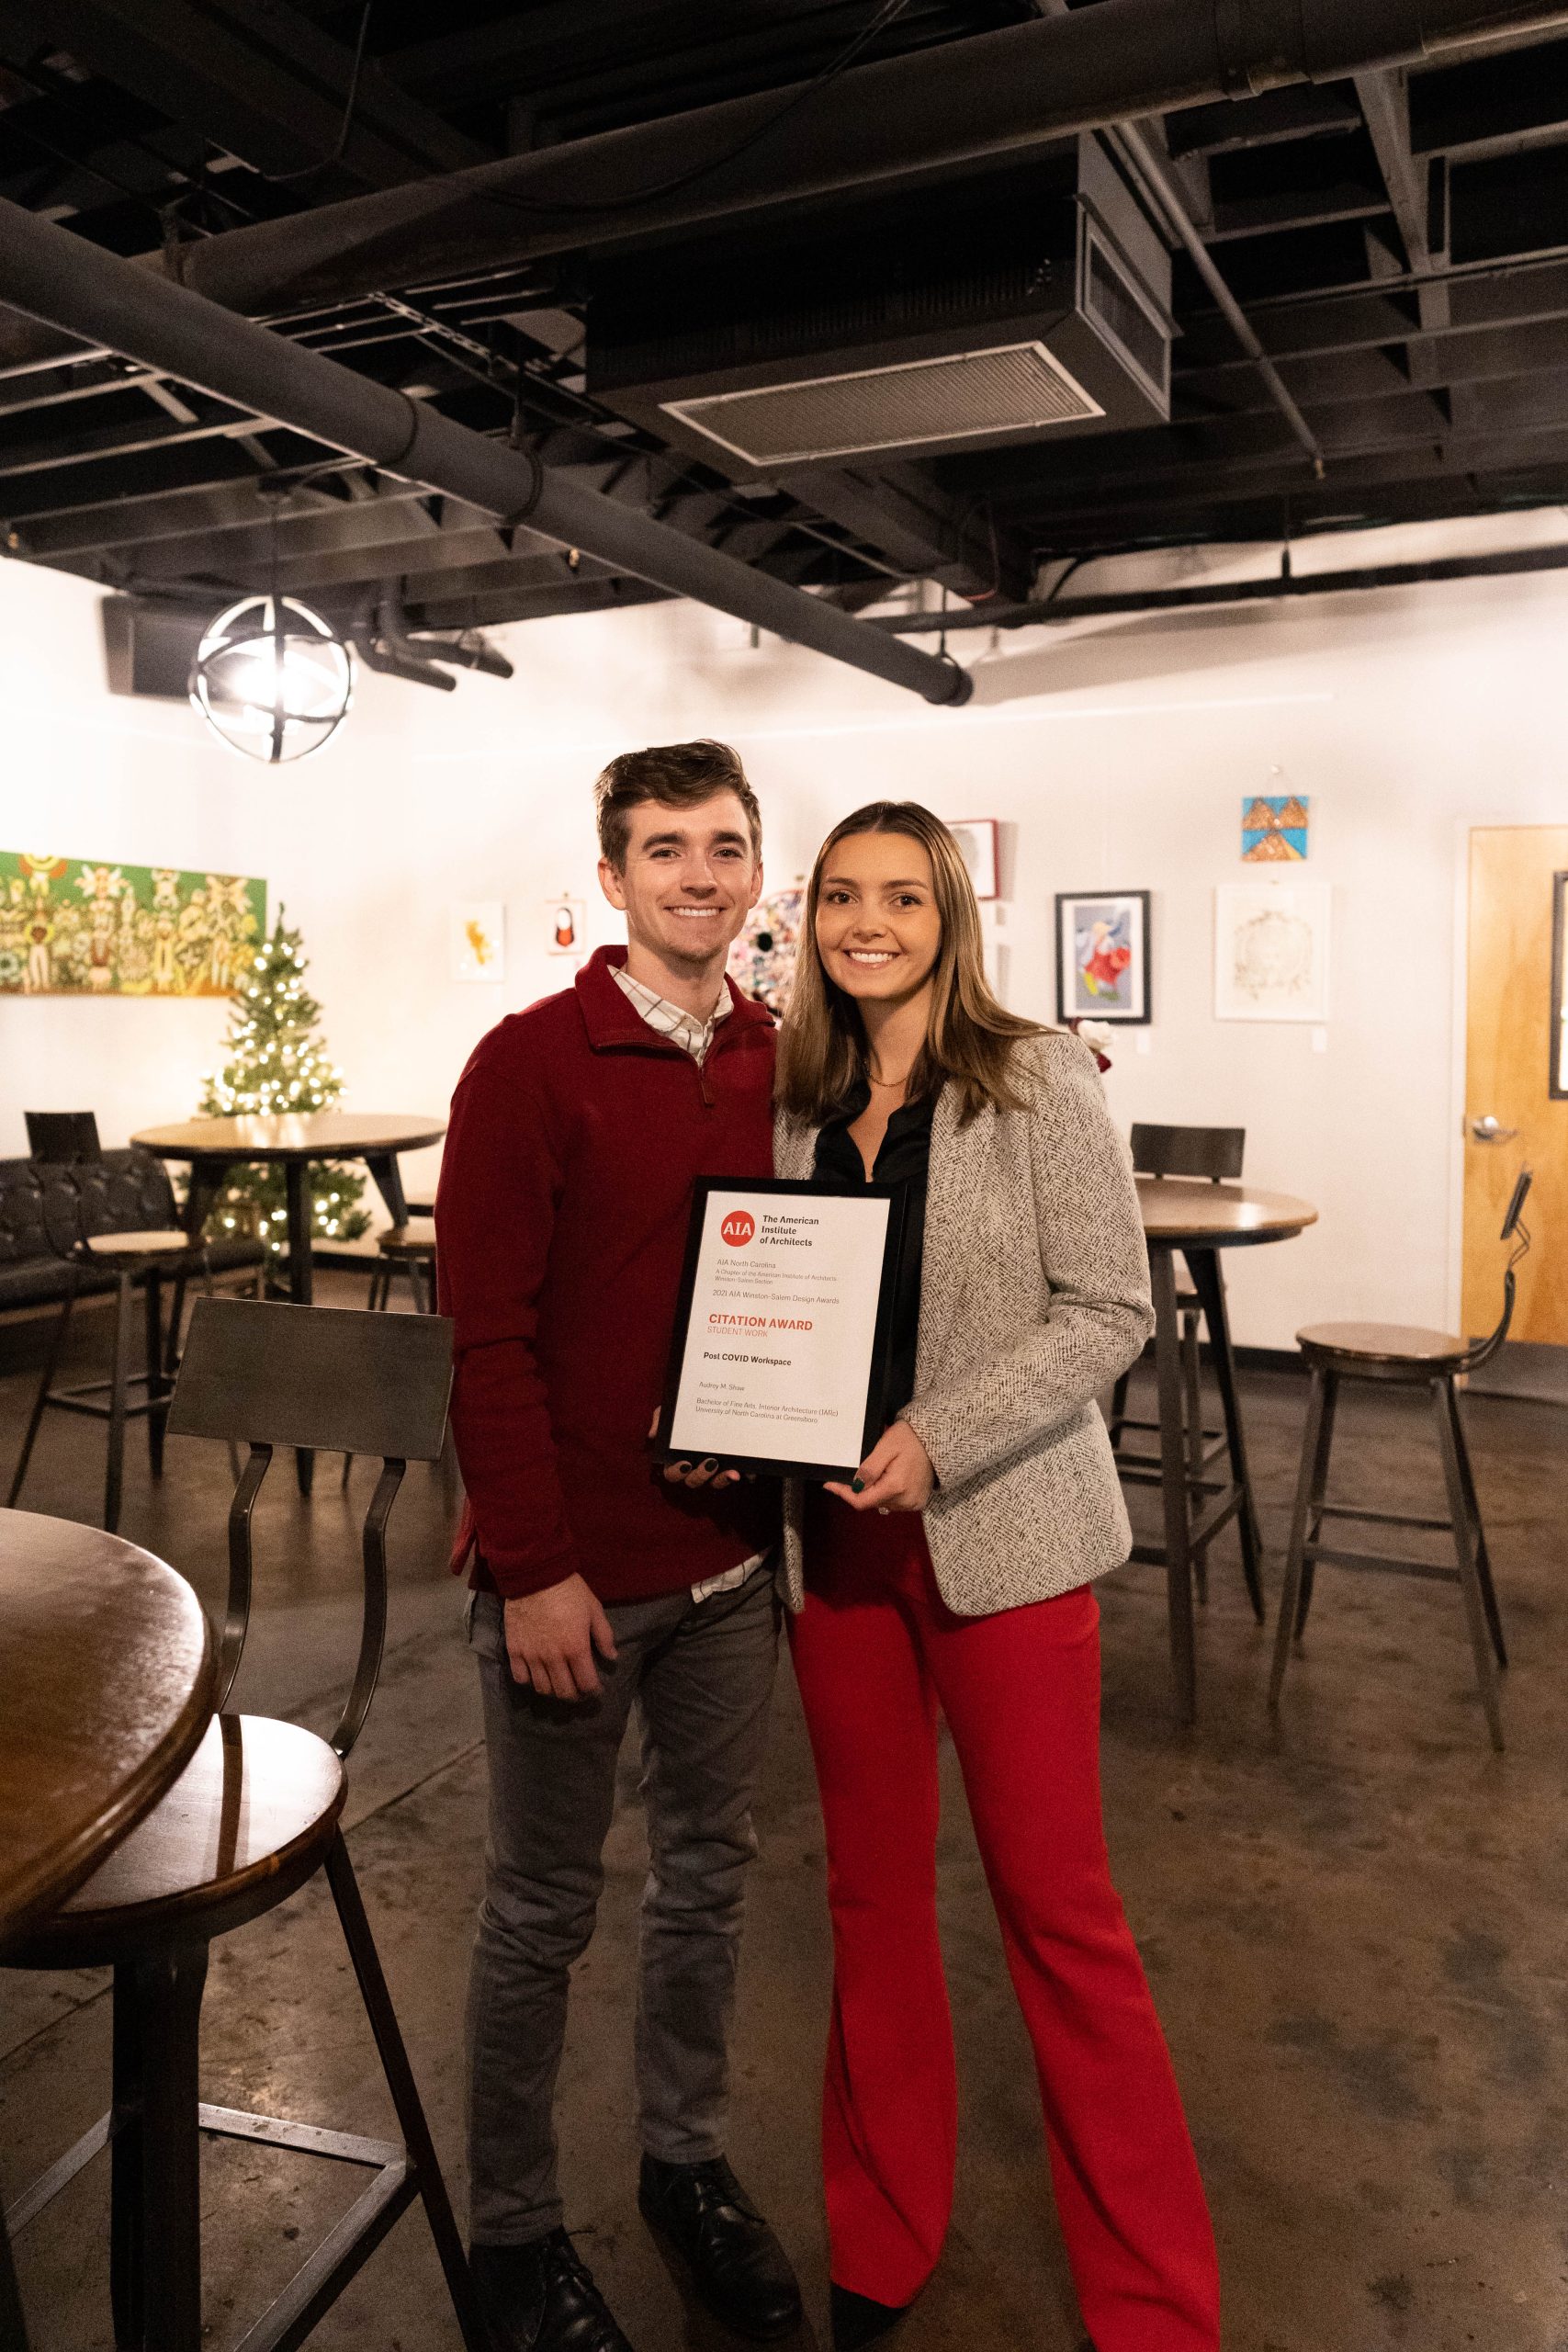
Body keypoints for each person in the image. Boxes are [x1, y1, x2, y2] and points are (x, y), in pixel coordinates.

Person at [773, 803, 1221, 2352]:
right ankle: (881, 2228)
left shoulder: (1035, 1076)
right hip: (839, 1552)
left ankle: (1155, 2301)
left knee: (1059, 1911)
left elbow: (1109, 1309)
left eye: (903, 896)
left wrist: (942, 1437)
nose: (868, 923)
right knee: (871, 1898)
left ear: (951, 916)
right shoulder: (800, 1095)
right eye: (843, 895)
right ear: (812, 919)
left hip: (1007, 1542)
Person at [436, 740, 804, 2352]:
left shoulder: (777, 1058)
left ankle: (684, 2162)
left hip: (730, 1569)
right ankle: (514, 2238)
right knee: (541, 1911)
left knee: (707, 1881)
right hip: (574, 1581)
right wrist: (530, 1566)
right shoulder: (528, 1064)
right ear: (612, 878)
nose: (698, 877)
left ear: (756, 872)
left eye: (724, 848)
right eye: (666, 850)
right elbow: (483, 1338)